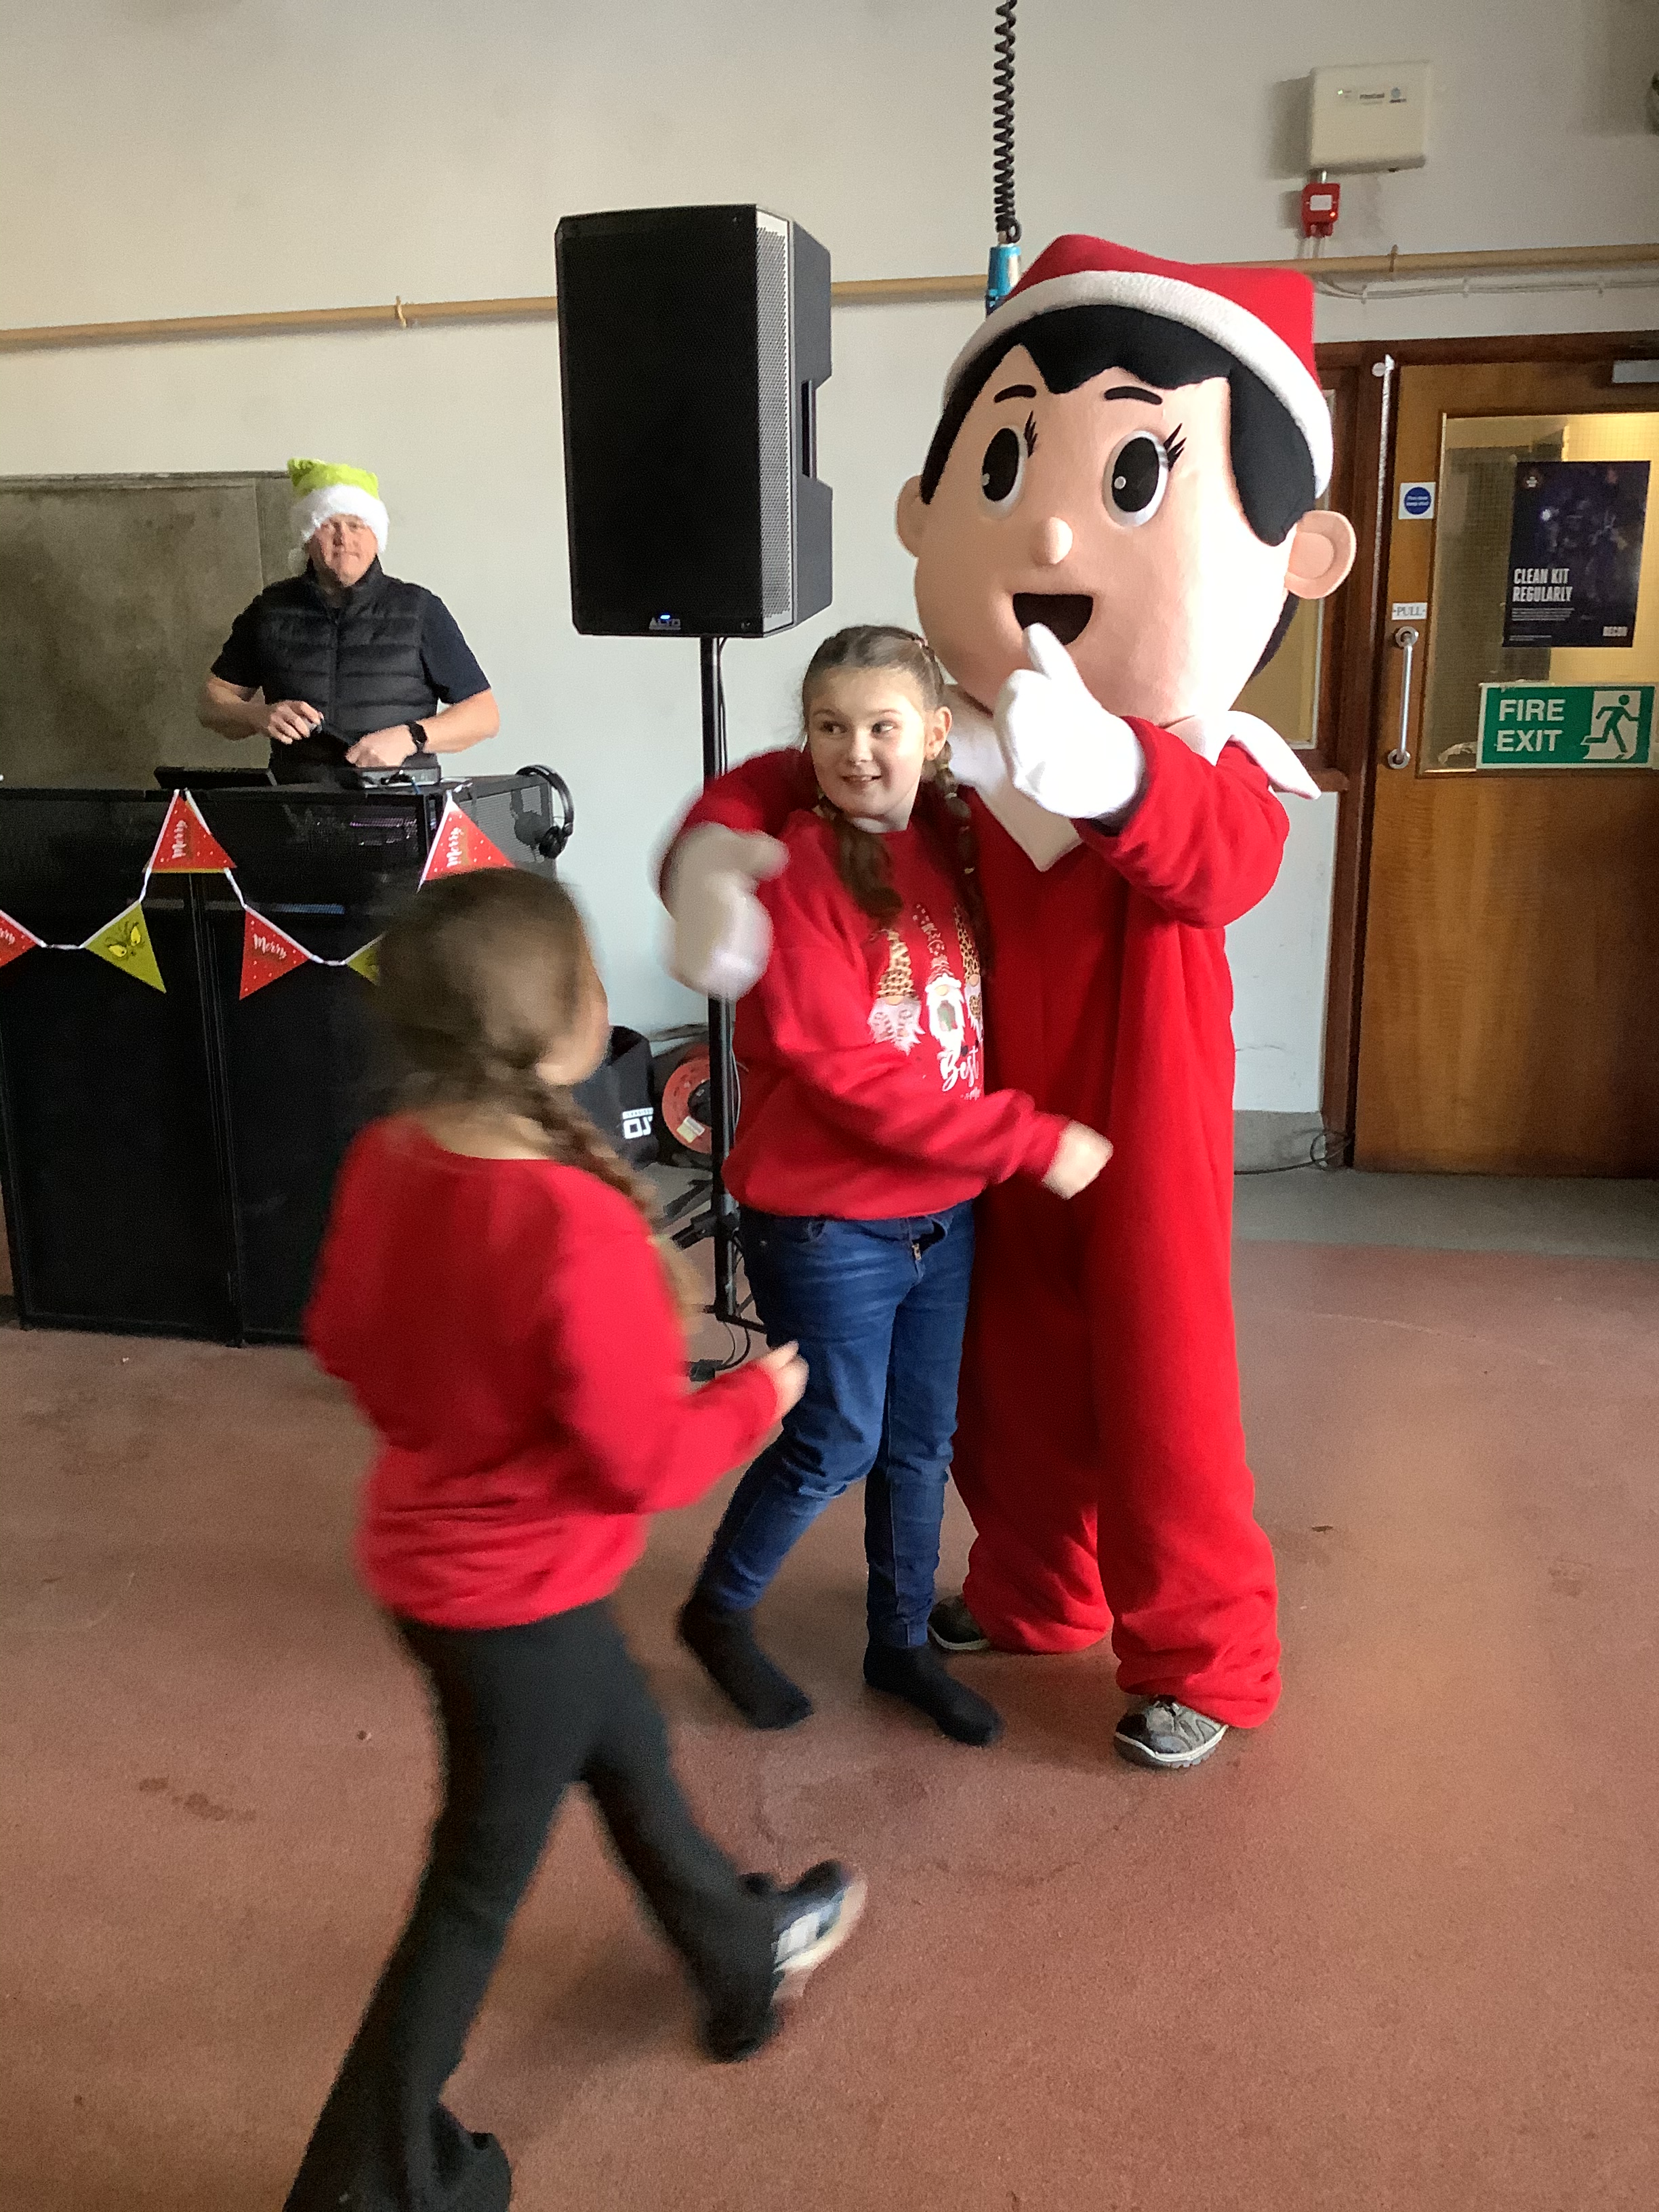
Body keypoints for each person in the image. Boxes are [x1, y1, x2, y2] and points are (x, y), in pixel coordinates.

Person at [665, 237, 1357, 1772]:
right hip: (979, 1120)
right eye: (1001, 465)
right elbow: (798, 768)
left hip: (1135, 1114)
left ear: (1298, 553)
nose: (1045, 524)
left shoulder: (1202, 752)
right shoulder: (946, 746)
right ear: (924, 511)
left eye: (1128, 477)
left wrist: (1111, 769)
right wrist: (711, 846)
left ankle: (1203, 1652)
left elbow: (1225, 859)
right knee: (1004, 1373)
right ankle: (1039, 1585)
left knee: (1162, 1382)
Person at [287, 866, 863, 2212]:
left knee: (628, 1749)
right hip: (517, 1605)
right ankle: (368, 2184)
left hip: (448, 1577)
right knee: (471, 1894)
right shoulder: (573, 1218)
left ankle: (738, 1954)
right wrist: (752, 1401)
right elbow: (638, 1461)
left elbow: (343, 1342)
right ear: (574, 1018)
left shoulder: (388, 1156)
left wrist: (460, 1413)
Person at [676, 626, 1109, 1751]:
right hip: (827, 1224)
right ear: (805, 739)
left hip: (941, 1213)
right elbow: (846, 1074)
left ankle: (900, 1641)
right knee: (835, 1436)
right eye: (830, 727)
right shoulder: (797, 867)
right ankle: (717, 1610)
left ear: (934, 732)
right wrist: (1025, 1138)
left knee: (921, 1440)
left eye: (882, 726)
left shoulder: (950, 838)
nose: (856, 751)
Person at [197, 457, 499, 785]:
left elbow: (484, 714)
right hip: (299, 802)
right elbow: (211, 703)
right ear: (307, 537)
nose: (343, 538)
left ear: (376, 536)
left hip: (399, 803)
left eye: (356, 525)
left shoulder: (421, 610)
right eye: (329, 525)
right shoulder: (269, 610)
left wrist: (410, 737)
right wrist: (257, 715)